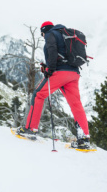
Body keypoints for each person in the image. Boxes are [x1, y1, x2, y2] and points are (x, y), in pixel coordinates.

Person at [17, 21, 91, 149]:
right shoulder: (65, 34)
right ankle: (83, 138)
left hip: (60, 72)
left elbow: (52, 49)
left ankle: (30, 129)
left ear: (44, 30)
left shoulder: (50, 34)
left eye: (42, 34)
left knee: (38, 94)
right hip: (74, 73)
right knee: (76, 104)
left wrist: (49, 69)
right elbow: (61, 54)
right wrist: (50, 66)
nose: (43, 37)